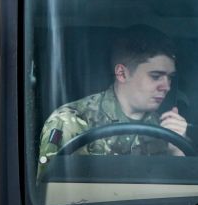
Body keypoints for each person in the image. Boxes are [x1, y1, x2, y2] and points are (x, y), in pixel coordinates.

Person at [37, 25, 189, 175]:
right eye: (155, 76)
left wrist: (177, 149)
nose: (166, 86)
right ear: (122, 73)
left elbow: (184, 193)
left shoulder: (167, 130)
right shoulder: (71, 121)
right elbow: (49, 191)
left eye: (170, 78)